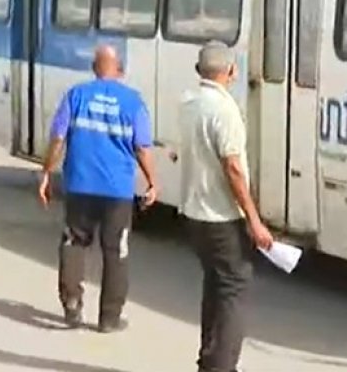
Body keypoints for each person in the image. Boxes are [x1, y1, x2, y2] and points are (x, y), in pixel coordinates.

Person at [37, 44, 158, 332]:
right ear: (120, 70)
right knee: (116, 251)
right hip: (117, 192)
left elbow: (57, 138)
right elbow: (141, 148)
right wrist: (153, 180)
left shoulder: (76, 95)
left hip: (79, 185)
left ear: (94, 68)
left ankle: (72, 304)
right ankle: (109, 319)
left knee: (74, 243)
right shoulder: (133, 102)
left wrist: (46, 172)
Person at [180, 41, 274, 372]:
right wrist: (254, 220)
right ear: (231, 71)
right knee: (234, 289)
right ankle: (221, 366)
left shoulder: (189, 103)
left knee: (215, 285)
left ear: (199, 71)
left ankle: (209, 359)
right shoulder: (225, 111)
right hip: (221, 217)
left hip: (194, 214)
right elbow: (233, 168)